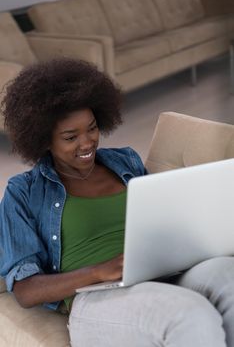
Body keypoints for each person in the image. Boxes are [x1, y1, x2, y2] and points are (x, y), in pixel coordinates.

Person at [0, 58, 232, 347]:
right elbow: (25, 290)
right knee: (189, 314)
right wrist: (99, 271)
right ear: (45, 139)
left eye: (92, 128)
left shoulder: (126, 161)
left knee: (227, 274)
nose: (87, 143)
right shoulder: (23, 192)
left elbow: (161, 221)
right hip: (95, 298)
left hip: (162, 274)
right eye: (70, 137)